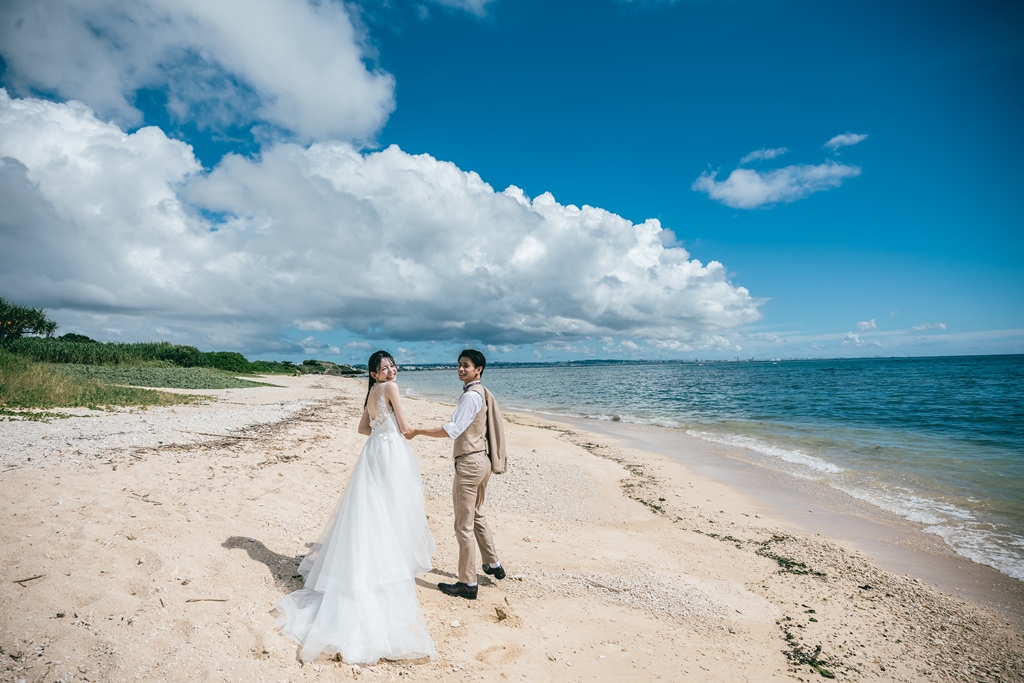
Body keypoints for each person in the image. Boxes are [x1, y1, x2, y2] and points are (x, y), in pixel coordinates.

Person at [274, 351, 436, 663]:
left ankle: (373, 566)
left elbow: (364, 428)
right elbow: (404, 427)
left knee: (371, 512)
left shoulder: (372, 392)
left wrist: (382, 430)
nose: (390, 371)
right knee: (392, 512)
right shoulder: (391, 389)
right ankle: (387, 573)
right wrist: (417, 432)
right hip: (390, 455)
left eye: (391, 365)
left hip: (373, 452)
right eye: (383, 368)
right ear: (375, 374)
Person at [408, 349, 506, 600]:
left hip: (470, 464)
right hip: (482, 461)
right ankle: (493, 563)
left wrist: (418, 430)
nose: (461, 369)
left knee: (463, 525)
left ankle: (467, 582)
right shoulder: (482, 392)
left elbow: (453, 429)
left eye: (466, 365)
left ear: (478, 369)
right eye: (459, 365)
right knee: (477, 514)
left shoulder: (471, 396)